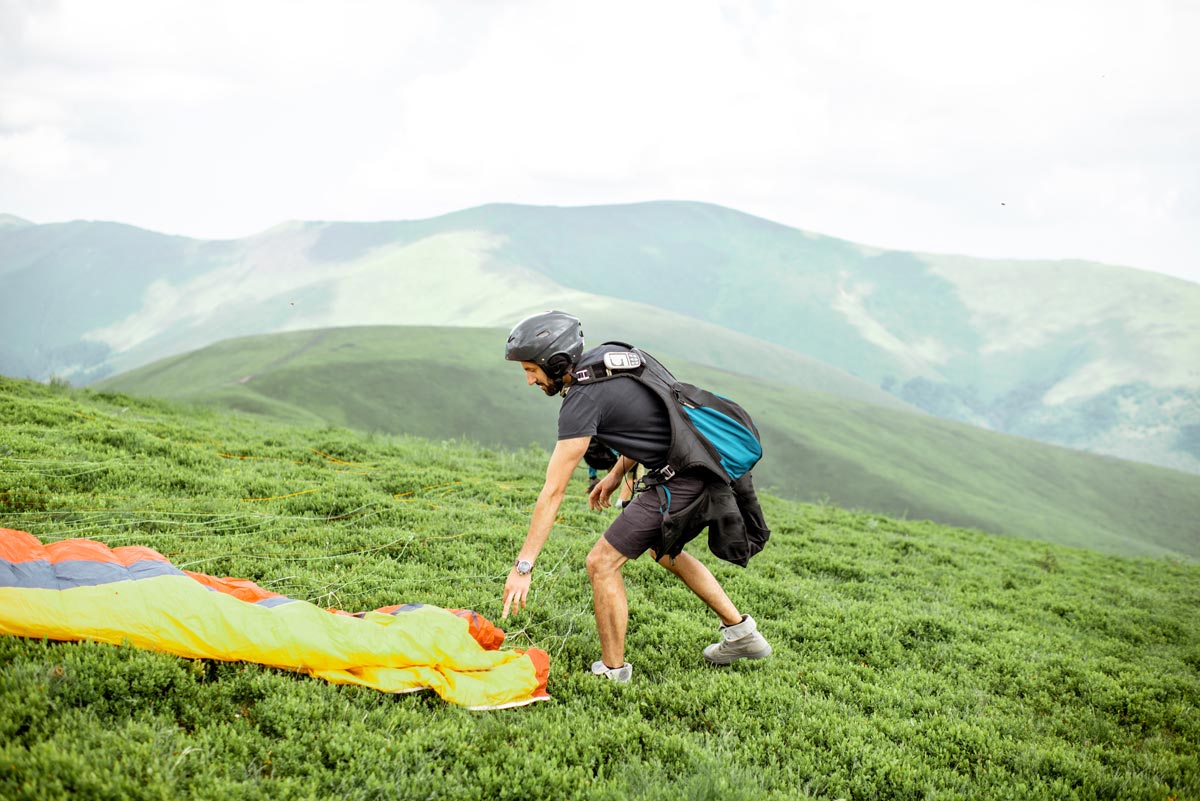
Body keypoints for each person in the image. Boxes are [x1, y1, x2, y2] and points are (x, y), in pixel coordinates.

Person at [500, 310, 771, 681]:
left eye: (531, 370)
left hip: (683, 477)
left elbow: (553, 491)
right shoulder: (613, 358)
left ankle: (613, 671)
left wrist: (523, 567)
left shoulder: (581, 399)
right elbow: (649, 420)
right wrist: (614, 476)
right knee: (663, 552)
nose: (529, 380)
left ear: (556, 362)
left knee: (601, 563)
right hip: (697, 463)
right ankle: (742, 635)